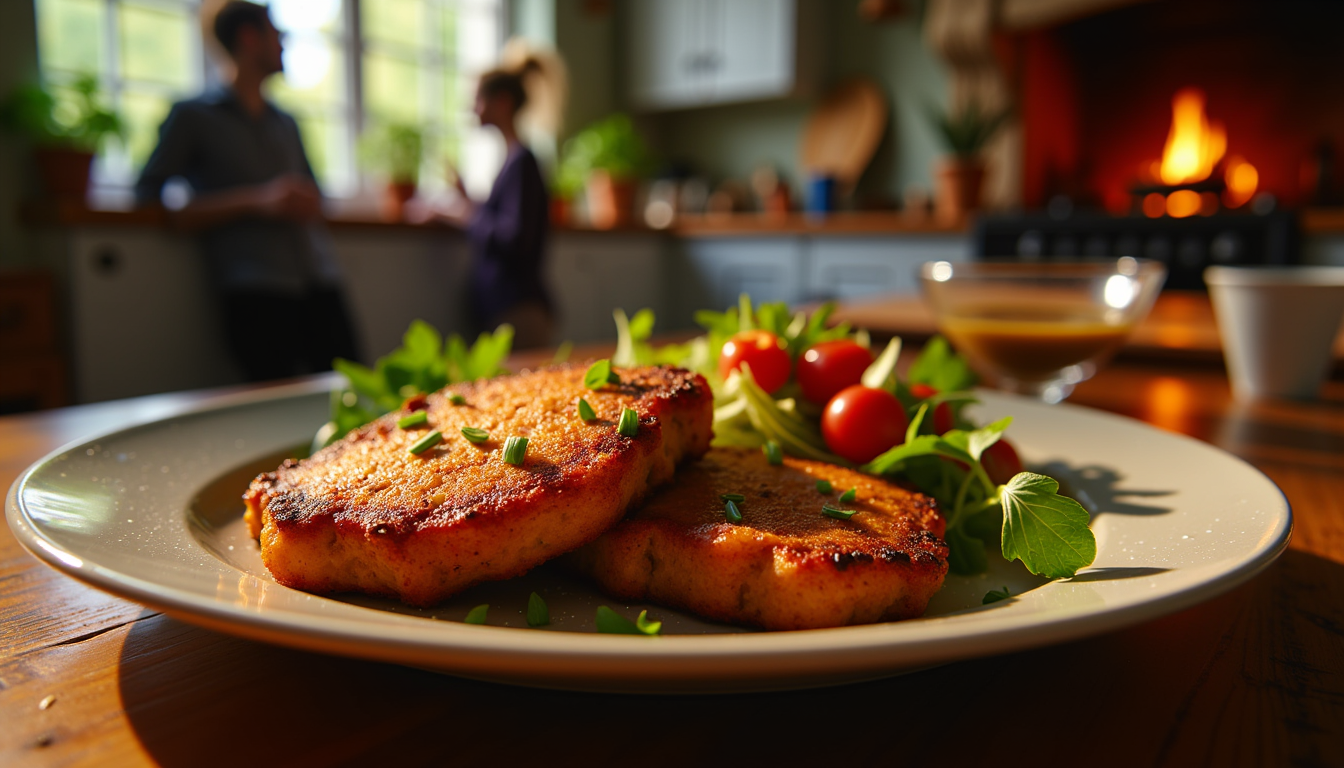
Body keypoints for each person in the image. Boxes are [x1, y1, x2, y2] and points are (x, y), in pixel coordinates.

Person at [135, 1, 359, 382]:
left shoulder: (286, 122)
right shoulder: (193, 116)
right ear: (249, 37)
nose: (284, 44)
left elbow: (314, 192)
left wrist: (306, 201)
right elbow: (148, 197)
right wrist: (258, 201)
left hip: (318, 278)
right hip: (256, 290)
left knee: (353, 391)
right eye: (277, 34)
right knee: (274, 401)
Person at [441, 54, 556, 349]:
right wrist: (468, 200)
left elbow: (513, 237)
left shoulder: (523, 163)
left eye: (478, 99)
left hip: (519, 311)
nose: (473, 108)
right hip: (506, 309)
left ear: (503, 102)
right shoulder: (512, 162)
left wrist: (466, 215)